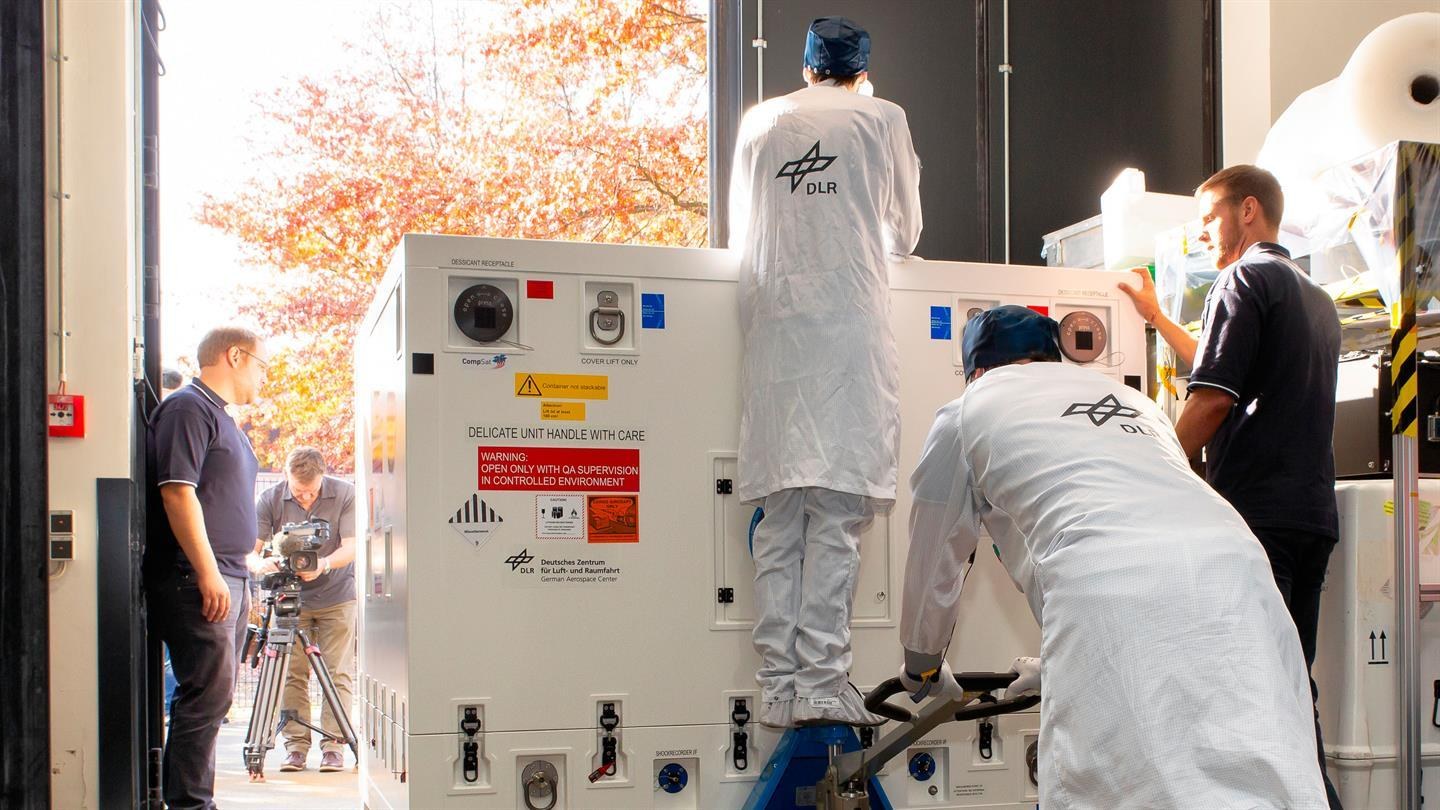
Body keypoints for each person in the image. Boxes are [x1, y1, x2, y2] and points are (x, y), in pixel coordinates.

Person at [897, 305, 1327, 808]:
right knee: (1262, 770)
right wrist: (1058, 663)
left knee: (1120, 787)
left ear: (976, 370)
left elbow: (935, 552)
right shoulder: (1131, 400)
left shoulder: (968, 409)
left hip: (1112, 589)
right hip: (1239, 571)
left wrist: (922, 663)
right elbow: (1137, 528)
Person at [1117, 164, 1342, 807]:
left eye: (1210, 217)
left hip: (1258, 522)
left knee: (1245, 691)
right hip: (1309, 520)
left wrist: (1157, 475)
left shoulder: (1242, 278)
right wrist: (1156, 314)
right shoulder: (1312, 296)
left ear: (1248, 211)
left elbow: (1214, 397)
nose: (1204, 233)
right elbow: (1221, 361)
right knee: (1291, 686)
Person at [729, 15, 922, 729]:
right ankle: (822, 681)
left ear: (807, 65)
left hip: (775, 331)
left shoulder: (758, 121)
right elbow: (905, 231)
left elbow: (739, 231)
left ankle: (777, 686)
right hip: (847, 331)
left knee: (780, 515)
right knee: (837, 516)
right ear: (860, 69)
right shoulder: (882, 118)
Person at [146, 326, 268, 810]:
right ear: (235, 356)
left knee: (216, 699)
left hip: (230, 572)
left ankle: (193, 800)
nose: (264, 376)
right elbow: (178, 490)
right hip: (199, 576)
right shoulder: (189, 408)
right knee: (205, 697)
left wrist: (242, 574)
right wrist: (207, 571)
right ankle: (191, 806)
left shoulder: (222, 419)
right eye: (262, 364)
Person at [251, 446, 358, 773]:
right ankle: (295, 747)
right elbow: (249, 553)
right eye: (299, 491)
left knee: (337, 672)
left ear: (323, 475)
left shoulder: (345, 494)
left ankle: (334, 746)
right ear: (286, 478)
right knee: (291, 674)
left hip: (336, 596)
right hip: (288, 600)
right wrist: (262, 563)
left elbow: (352, 546)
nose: (307, 496)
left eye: (312, 490)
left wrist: (324, 563)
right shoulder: (269, 499)